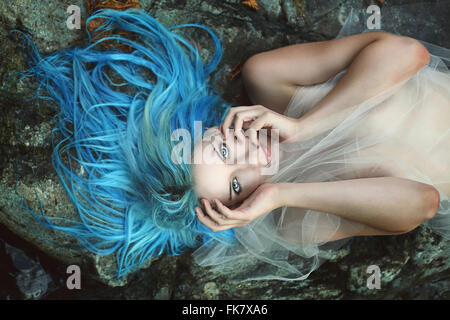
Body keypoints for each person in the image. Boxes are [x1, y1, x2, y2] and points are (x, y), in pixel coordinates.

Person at [11, 5, 449, 281]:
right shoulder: (295, 217)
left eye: (223, 154)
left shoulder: (269, 79)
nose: (250, 160)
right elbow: (422, 203)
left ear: (211, 131)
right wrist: (280, 194)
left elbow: (409, 55)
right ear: (237, 208)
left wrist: (307, 126)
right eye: (238, 187)